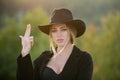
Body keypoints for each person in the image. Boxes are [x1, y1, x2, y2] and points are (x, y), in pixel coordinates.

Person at [17, 8, 93, 80]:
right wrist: (25, 51)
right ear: (51, 34)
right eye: (54, 30)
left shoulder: (84, 59)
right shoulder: (43, 58)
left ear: (71, 31)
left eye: (63, 29)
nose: (58, 34)